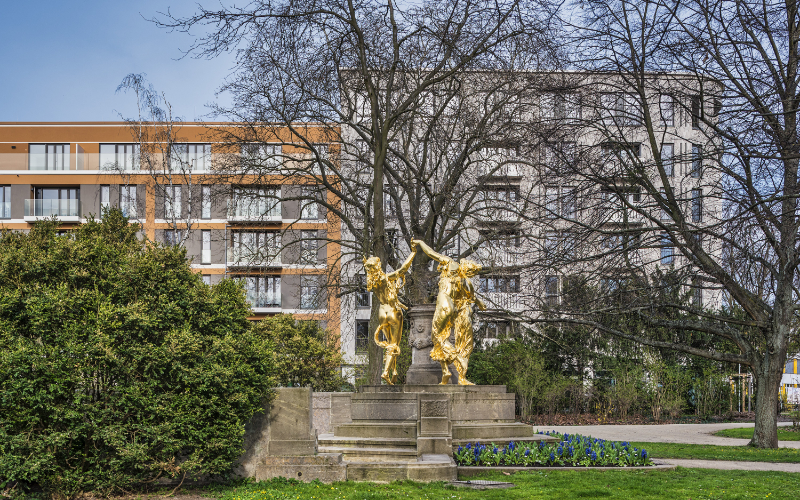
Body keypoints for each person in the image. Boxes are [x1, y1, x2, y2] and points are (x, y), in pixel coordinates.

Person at [410, 239, 485, 385]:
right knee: (443, 337)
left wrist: (420, 242)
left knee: (437, 337)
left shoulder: (449, 263)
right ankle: (447, 372)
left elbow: (431, 253)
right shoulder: (462, 280)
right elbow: (472, 297)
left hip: (444, 304)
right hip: (453, 308)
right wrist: (479, 303)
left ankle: (456, 359)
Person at [362, 246, 417, 385]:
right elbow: (403, 269)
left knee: (389, 345)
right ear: (378, 265)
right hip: (393, 311)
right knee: (393, 344)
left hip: (382, 312)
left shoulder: (373, 282)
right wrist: (413, 252)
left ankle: (394, 372)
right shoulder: (387, 278)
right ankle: (386, 372)